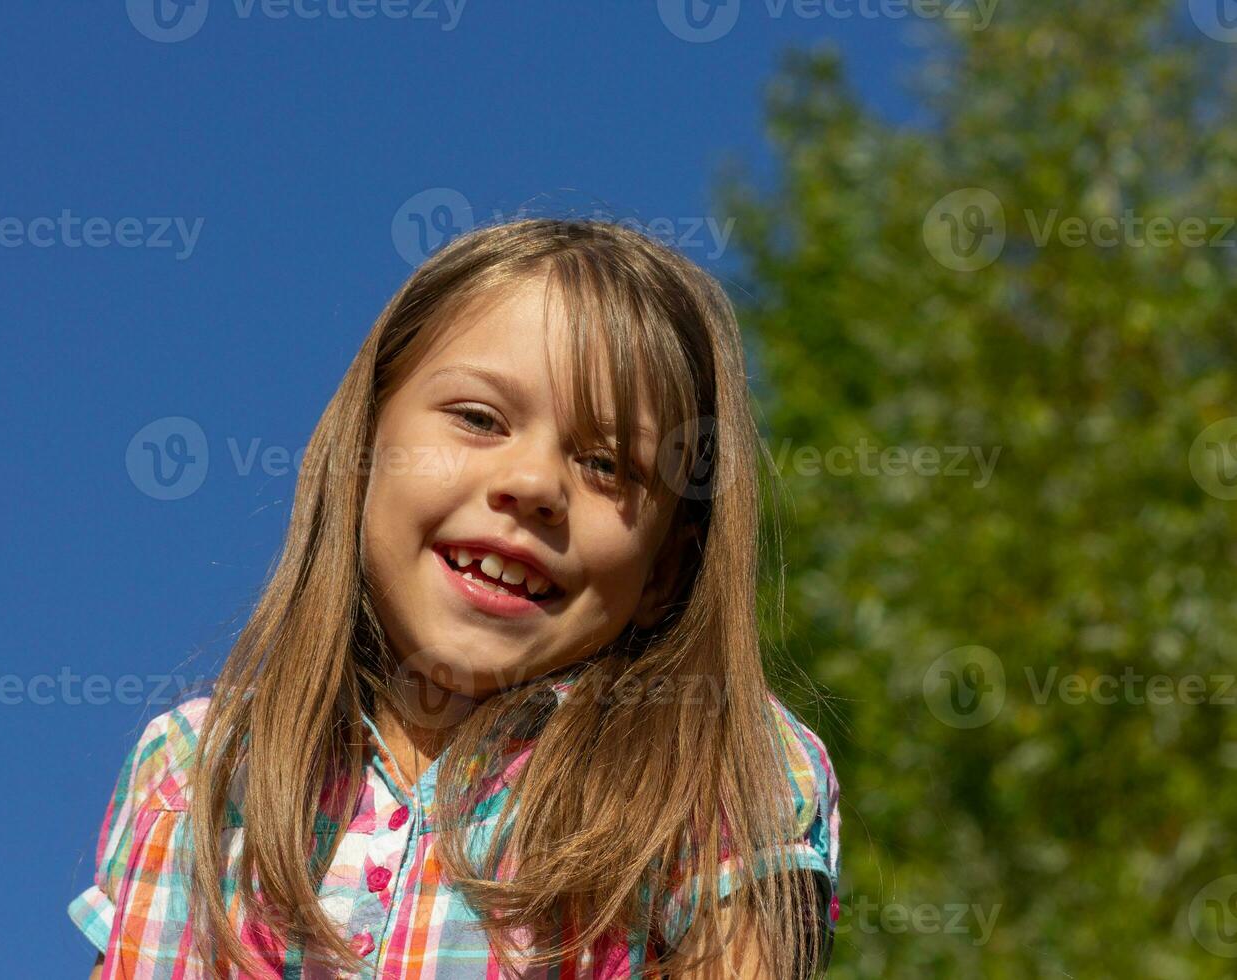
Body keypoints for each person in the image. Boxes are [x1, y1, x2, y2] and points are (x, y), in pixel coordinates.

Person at [68, 217, 841, 979]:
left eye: (607, 465)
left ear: (665, 572)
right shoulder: (195, 772)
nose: (534, 484)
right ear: (362, 452)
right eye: (479, 418)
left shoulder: (710, 763)